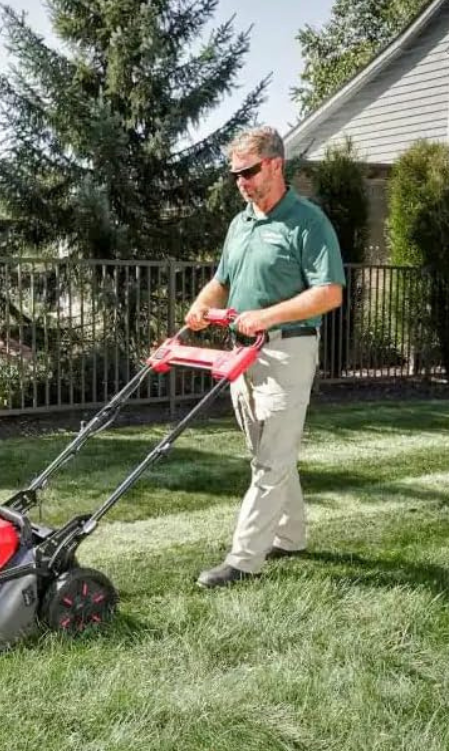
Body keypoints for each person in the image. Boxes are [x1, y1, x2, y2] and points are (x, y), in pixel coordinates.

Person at [186, 126, 345, 589]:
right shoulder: (242, 223)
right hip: (244, 356)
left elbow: (329, 293)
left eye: (249, 171)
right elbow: (222, 280)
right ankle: (290, 536)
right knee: (268, 453)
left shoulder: (308, 222)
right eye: (236, 173)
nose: (241, 181)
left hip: (288, 351)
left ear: (276, 164)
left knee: (271, 460)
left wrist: (265, 317)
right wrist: (202, 304)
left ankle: (243, 558)